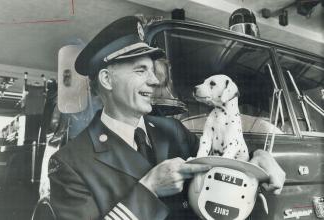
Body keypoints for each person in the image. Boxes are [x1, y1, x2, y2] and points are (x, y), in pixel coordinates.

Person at [48, 16, 285, 220]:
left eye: (152, 70)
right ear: (107, 80)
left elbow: (221, 159)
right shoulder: (70, 163)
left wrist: (259, 157)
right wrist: (149, 189)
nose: (154, 80)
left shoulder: (173, 130)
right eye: (141, 70)